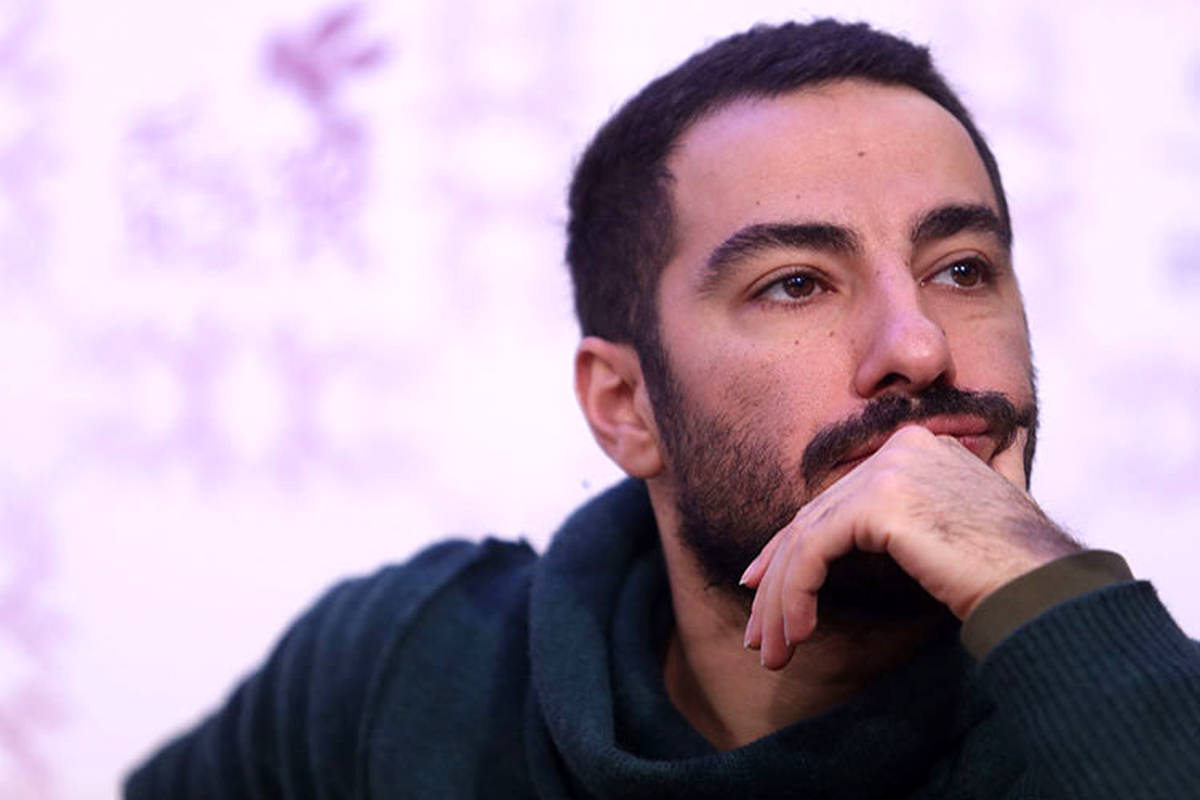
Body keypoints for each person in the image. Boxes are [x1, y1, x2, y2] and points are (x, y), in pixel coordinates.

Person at [124, 19, 1200, 798]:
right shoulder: (406, 673)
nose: (917, 345)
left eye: (962, 269)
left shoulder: (1124, 732)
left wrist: (1047, 593)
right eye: (796, 283)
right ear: (625, 405)